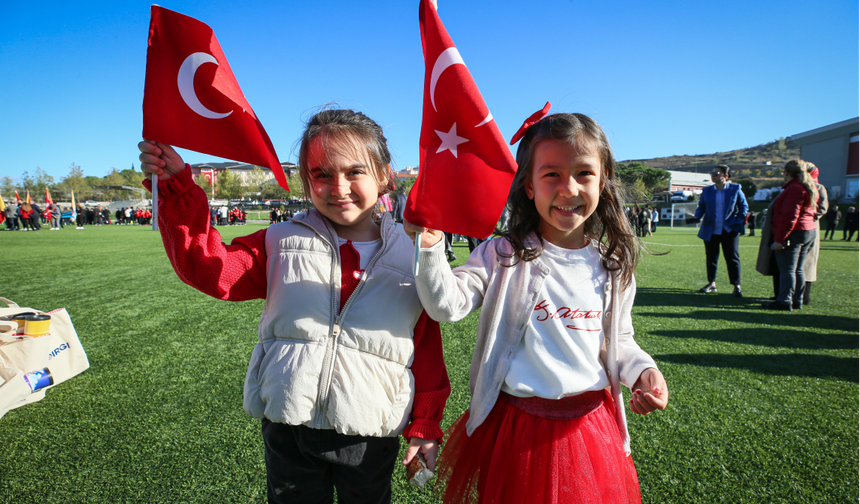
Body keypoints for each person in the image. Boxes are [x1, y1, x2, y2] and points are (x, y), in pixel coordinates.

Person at [138, 108, 450, 504]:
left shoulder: (413, 255)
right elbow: (208, 269)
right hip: (289, 421)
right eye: (321, 174)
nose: (338, 186)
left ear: (385, 176)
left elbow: (425, 347)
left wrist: (425, 422)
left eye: (355, 171)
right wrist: (176, 184)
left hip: (372, 427)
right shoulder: (278, 241)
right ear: (305, 181)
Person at [405, 112, 668, 504]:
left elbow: (620, 341)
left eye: (583, 173)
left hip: (588, 428)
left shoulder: (612, 266)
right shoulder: (503, 255)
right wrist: (429, 249)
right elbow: (447, 306)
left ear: (604, 177)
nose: (569, 188)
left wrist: (645, 371)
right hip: (516, 429)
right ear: (528, 185)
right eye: (552, 175)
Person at [761, 160, 819, 311]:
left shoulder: (794, 188)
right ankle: (796, 300)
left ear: (786, 172)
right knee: (798, 269)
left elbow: (789, 216)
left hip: (796, 232)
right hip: (808, 231)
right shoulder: (806, 186)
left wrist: (779, 239)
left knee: (788, 269)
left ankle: (784, 300)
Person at [689, 165, 749, 297]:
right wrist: (697, 216)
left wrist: (738, 222)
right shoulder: (707, 191)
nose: (713, 175)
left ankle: (736, 286)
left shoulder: (735, 189)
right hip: (710, 230)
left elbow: (743, 207)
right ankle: (712, 283)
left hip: (729, 230)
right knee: (711, 258)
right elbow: (701, 207)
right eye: (712, 173)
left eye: (717, 173)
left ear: (726, 176)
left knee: (732, 258)